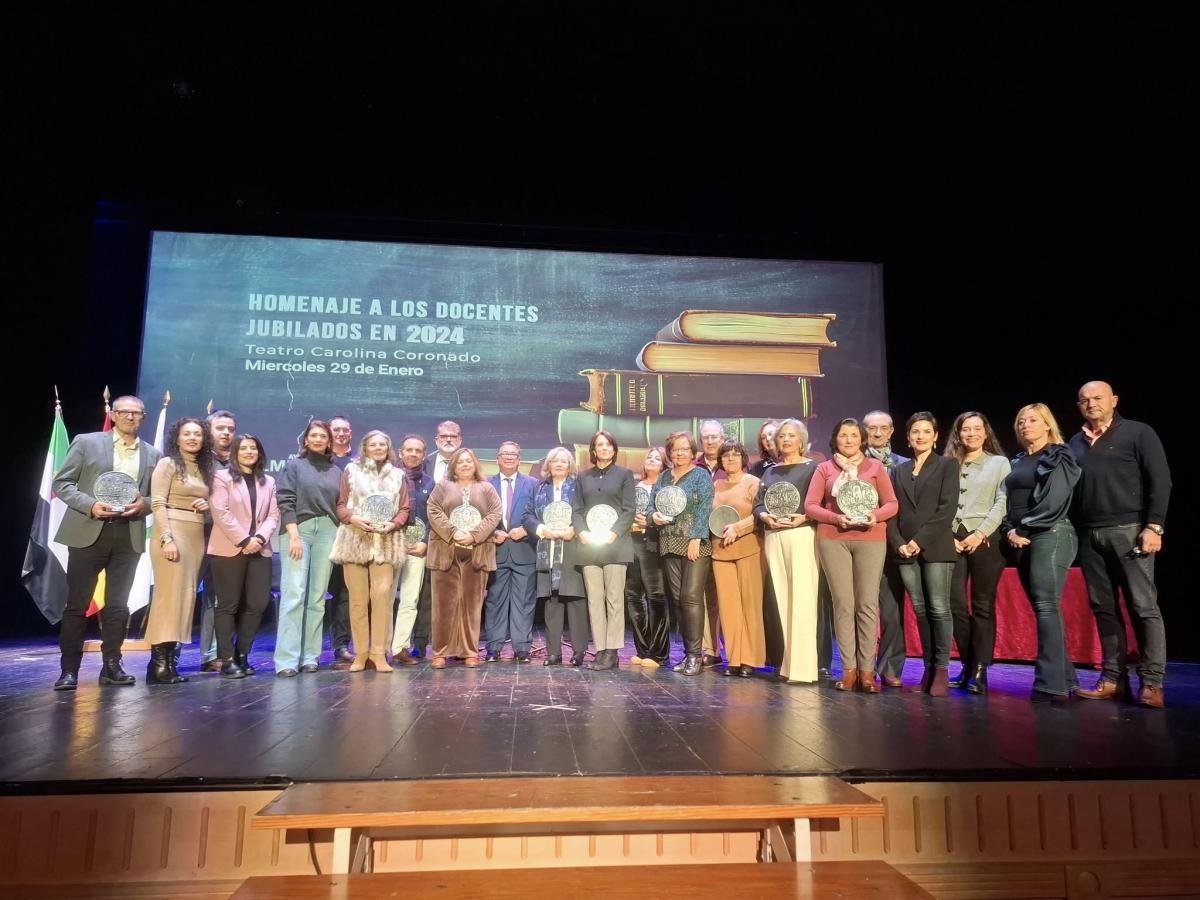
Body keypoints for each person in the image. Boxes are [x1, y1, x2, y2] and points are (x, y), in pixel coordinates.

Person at [1070, 381, 1171, 708]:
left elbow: (1160, 480)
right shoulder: (1075, 442)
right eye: (1084, 400)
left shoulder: (1138, 433)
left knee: (1143, 606)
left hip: (1129, 529)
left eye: (1098, 397)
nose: (1091, 403)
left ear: (1114, 400)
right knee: (1103, 608)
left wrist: (1154, 526)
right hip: (1089, 534)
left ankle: (1152, 683)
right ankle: (1113, 679)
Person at [51, 395, 161, 691]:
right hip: (88, 531)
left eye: (136, 413)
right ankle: (69, 670)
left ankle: (112, 666)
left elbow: (158, 496)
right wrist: (90, 505)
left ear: (143, 417)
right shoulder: (86, 442)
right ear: (113, 415)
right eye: (124, 412)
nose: (130, 417)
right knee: (77, 604)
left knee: (118, 606)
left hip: (128, 534)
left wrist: (143, 505)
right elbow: (62, 483)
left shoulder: (153, 454)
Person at [804, 417, 898, 692]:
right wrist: (836, 518)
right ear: (835, 439)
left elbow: (892, 504)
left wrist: (874, 515)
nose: (848, 440)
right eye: (843, 435)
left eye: (854, 435)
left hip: (870, 539)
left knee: (867, 604)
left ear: (862, 440)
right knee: (843, 604)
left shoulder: (875, 467)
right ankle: (848, 670)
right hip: (834, 539)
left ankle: (867, 671)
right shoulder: (824, 468)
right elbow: (811, 506)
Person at [1002, 403, 1081, 704]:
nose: (1025, 425)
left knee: (1046, 604)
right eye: (1021, 421)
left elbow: (1055, 499)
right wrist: (1010, 530)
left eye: (1033, 420)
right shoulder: (1018, 460)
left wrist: (1025, 528)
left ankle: (1050, 684)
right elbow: (1008, 500)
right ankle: (1066, 680)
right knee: (1044, 608)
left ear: (1048, 424)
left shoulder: (1058, 454)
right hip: (1021, 536)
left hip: (1052, 532)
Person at [887, 413, 959, 696]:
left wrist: (919, 540)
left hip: (936, 546)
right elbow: (892, 511)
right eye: (915, 431)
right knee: (920, 610)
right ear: (907, 437)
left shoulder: (947, 465)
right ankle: (928, 669)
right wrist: (898, 543)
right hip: (905, 549)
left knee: (939, 608)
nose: (920, 436)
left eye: (926, 431)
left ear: (935, 436)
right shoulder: (898, 470)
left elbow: (946, 509)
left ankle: (941, 669)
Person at [330, 430, 411, 673]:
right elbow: (341, 505)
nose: (378, 448)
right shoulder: (351, 471)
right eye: (373, 444)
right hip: (355, 540)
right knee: (357, 601)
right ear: (365, 447)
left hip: (385, 542)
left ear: (388, 449)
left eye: (382, 445)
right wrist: (353, 518)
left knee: (382, 599)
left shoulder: (397, 474)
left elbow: (404, 509)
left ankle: (378, 653)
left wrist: (393, 524)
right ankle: (361, 654)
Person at [943, 411, 1010, 694]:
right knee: (955, 605)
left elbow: (1002, 501)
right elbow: (941, 503)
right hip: (952, 540)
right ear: (958, 434)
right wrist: (949, 536)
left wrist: (980, 533)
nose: (971, 433)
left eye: (976, 428)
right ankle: (968, 664)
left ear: (985, 432)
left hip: (985, 540)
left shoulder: (999, 463)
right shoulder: (948, 464)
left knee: (982, 605)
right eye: (965, 429)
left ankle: (981, 670)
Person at [145, 417, 215, 685]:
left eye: (197, 434)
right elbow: (157, 503)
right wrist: (166, 539)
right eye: (187, 434)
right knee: (168, 598)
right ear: (177, 438)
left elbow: (210, 501)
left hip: (196, 534)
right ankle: (158, 664)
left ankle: (169, 663)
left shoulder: (203, 467)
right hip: (172, 530)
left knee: (184, 598)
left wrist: (207, 505)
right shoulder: (168, 463)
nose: (193, 438)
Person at [274, 420, 343, 677]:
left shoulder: (336, 471)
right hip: (298, 530)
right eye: (313, 435)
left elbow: (340, 504)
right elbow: (285, 499)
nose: (318, 439)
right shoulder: (294, 465)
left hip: (327, 531)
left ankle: (310, 656)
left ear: (329, 441)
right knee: (294, 594)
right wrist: (293, 534)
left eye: (323, 436)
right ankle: (287, 660)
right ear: (305, 439)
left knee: (317, 598)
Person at [207, 434, 279, 678]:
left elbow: (273, 515)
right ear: (235, 453)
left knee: (257, 603)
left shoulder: (268, 481)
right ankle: (227, 659)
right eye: (244, 448)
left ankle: (242, 654)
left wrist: (259, 539)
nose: (249, 452)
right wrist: (244, 540)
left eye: (253, 448)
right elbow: (220, 511)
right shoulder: (221, 477)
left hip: (260, 548)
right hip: (229, 548)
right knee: (228, 604)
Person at [754, 418, 820, 683]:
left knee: (802, 600)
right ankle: (789, 666)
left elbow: (820, 502)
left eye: (791, 436)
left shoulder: (813, 468)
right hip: (774, 535)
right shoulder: (770, 471)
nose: (786, 440)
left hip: (801, 534)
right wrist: (764, 517)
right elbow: (759, 504)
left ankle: (804, 670)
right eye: (782, 436)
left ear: (802, 440)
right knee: (783, 600)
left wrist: (805, 517)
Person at [425, 447, 502, 668]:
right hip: (445, 551)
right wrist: (453, 532)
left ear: (475, 464)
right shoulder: (443, 486)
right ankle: (440, 652)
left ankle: (469, 651)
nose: (465, 464)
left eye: (469, 461)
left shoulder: (486, 488)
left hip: (477, 552)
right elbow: (433, 509)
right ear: (454, 466)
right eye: (461, 461)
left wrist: (474, 535)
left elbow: (495, 513)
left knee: (472, 605)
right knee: (443, 605)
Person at [572, 430, 637, 670]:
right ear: (593, 450)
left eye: (608, 444)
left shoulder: (625, 475)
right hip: (590, 546)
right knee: (595, 600)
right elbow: (576, 510)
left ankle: (612, 651)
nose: (604, 448)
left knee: (614, 599)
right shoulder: (582, 477)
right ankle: (600, 649)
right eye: (600, 445)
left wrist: (614, 533)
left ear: (614, 449)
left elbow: (629, 509)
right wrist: (582, 532)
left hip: (615, 545)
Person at [652, 430, 715, 676]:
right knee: (678, 599)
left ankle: (695, 656)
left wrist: (696, 538)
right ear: (669, 452)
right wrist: (653, 517)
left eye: (684, 449)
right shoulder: (664, 477)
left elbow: (705, 507)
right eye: (675, 449)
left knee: (691, 597)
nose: (679, 453)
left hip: (694, 544)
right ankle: (688, 653)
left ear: (692, 452)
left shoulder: (700, 475)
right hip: (669, 542)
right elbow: (651, 506)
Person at [525, 447, 587, 666]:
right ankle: (554, 652)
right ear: (548, 465)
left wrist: (575, 529)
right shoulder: (538, 488)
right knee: (552, 600)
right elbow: (527, 515)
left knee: (575, 599)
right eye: (555, 461)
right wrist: (542, 529)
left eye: (563, 461)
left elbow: (586, 512)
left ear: (570, 466)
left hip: (572, 548)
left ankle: (579, 651)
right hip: (548, 548)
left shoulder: (578, 486)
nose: (559, 464)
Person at [862, 409, 909, 688]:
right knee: (862, 607)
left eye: (883, 428)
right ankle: (862, 666)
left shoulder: (906, 464)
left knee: (891, 610)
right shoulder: (855, 464)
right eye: (872, 428)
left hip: (896, 544)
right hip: (863, 540)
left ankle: (890, 666)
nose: (877, 433)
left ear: (891, 432)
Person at [712, 440, 764, 677]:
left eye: (735, 454)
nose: (730, 458)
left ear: (743, 458)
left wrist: (738, 528)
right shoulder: (717, 485)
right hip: (721, 552)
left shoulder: (753, 482)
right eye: (726, 455)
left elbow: (759, 514)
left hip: (749, 549)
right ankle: (734, 659)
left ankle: (750, 660)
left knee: (750, 606)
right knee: (728, 608)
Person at [483, 441, 539, 662]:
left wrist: (526, 529)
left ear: (519, 459)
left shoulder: (533, 484)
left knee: (523, 602)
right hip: (495, 552)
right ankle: (493, 648)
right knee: (494, 601)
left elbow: (540, 512)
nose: (508, 457)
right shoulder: (485, 484)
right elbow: (479, 515)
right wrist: (491, 533)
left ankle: (522, 648)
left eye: (513, 454)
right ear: (497, 458)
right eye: (504, 453)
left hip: (524, 551)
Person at [197, 408, 237, 673]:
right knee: (185, 594)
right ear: (208, 431)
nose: (226, 433)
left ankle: (214, 654)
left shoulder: (239, 462)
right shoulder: (196, 461)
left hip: (228, 537)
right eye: (220, 428)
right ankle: (168, 657)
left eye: (230, 429)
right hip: (197, 533)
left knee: (220, 597)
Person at [626, 446, 670, 668]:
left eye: (657, 458)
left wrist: (651, 521)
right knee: (633, 595)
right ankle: (642, 649)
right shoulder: (634, 487)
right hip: (632, 541)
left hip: (654, 543)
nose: (652, 460)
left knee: (655, 595)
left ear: (664, 464)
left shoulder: (666, 489)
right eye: (649, 457)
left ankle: (658, 653)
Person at [392, 434, 434, 664]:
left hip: (417, 548)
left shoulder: (429, 483)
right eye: (409, 450)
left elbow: (432, 517)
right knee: (386, 599)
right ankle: (380, 649)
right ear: (401, 452)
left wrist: (425, 541)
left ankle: (400, 648)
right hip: (391, 545)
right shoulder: (389, 477)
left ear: (423, 455)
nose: (413, 454)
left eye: (418, 451)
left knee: (410, 600)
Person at [325, 414, 355, 669]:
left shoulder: (358, 463)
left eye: (345, 430)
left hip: (351, 535)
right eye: (336, 430)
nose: (341, 433)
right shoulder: (321, 461)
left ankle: (341, 645)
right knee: (319, 592)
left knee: (345, 593)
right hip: (324, 533)